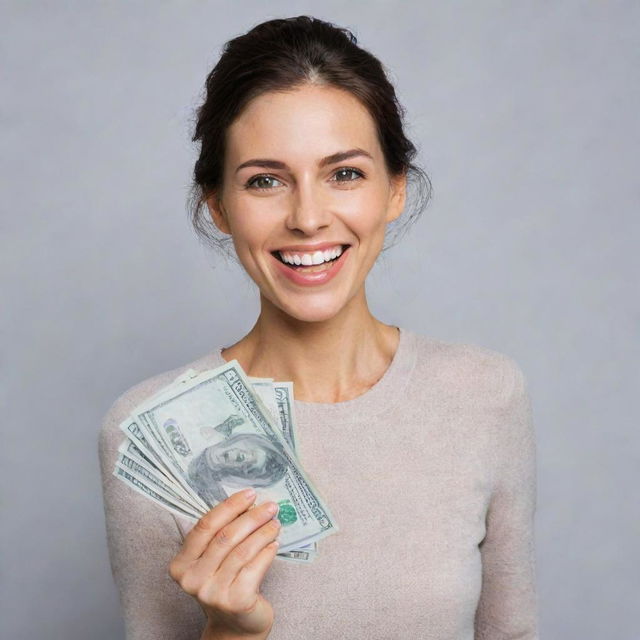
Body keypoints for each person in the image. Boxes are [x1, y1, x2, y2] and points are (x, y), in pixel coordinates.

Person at [98, 15, 538, 640]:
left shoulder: (487, 393)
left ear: (394, 190)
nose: (307, 217)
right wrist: (232, 630)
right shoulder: (142, 427)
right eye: (266, 181)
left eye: (345, 173)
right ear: (218, 207)